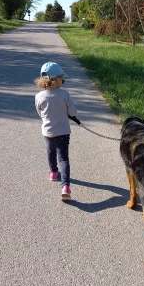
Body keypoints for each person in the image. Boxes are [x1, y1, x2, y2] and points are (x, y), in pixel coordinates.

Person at [34, 62, 81, 200]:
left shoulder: (39, 96)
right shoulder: (65, 94)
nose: (63, 82)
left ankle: (53, 173)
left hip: (48, 132)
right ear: (56, 80)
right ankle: (65, 186)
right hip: (63, 132)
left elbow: (41, 113)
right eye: (62, 79)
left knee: (50, 152)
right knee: (64, 158)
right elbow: (72, 112)